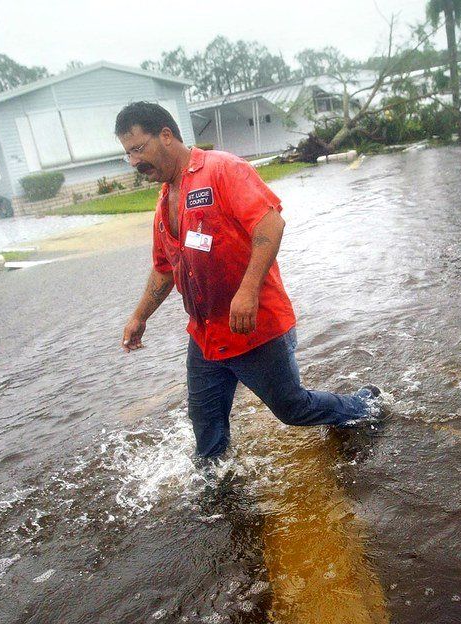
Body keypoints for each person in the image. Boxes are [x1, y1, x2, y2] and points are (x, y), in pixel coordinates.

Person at [115, 102, 383, 459]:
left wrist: (248, 290)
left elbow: (270, 224)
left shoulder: (222, 170)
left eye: (137, 148)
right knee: (207, 433)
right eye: (127, 154)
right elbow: (165, 268)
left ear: (166, 136)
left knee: (294, 409)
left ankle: (365, 407)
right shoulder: (165, 201)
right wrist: (140, 316)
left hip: (254, 328)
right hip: (206, 336)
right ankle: (217, 495)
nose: (134, 161)